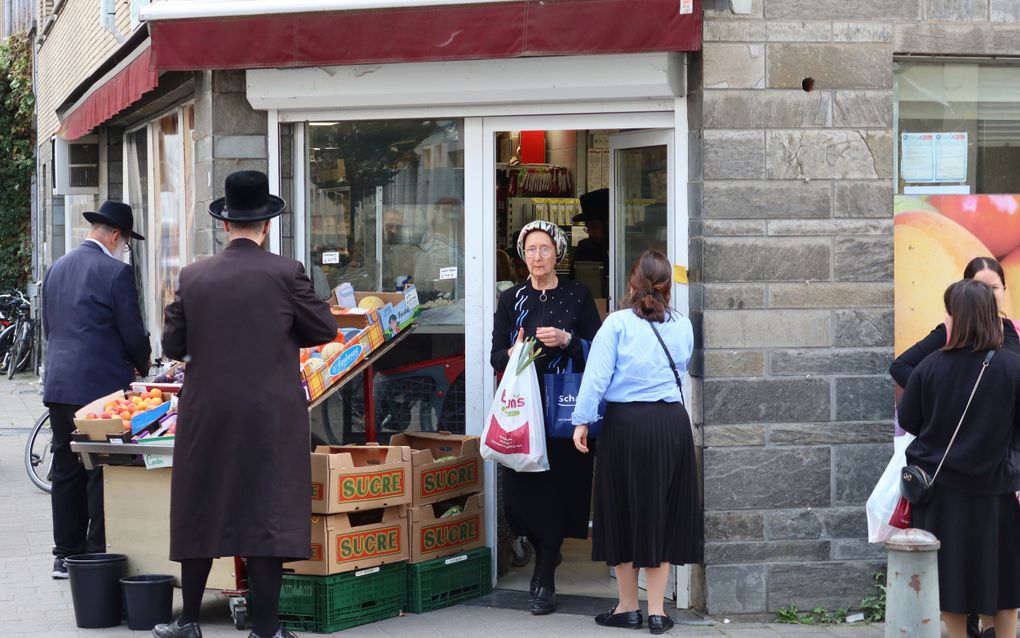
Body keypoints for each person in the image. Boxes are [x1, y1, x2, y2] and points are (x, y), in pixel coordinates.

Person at [154, 171, 337, 638]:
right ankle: (267, 628)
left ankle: (189, 620)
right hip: (269, 412)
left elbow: (174, 343)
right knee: (266, 507)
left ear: (224, 225)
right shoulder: (285, 271)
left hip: (206, 411)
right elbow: (323, 330)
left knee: (201, 504)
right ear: (267, 226)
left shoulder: (193, 276)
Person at [571, 250, 702, 635]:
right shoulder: (682, 325)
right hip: (670, 424)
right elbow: (685, 366)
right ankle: (659, 611)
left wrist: (581, 421)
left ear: (632, 283)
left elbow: (596, 377)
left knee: (622, 513)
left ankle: (628, 607)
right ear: (667, 286)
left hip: (625, 426)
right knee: (661, 513)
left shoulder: (616, 324)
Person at [490, 219, 602, 615]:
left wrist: (569, 341)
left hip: (564, 411)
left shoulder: (578, 295)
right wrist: (517, 350)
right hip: (522, 412)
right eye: (531, 249)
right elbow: (494, 356)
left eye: (545, 249)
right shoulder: (512, 300)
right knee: (521, 498)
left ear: (558, 253)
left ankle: (544, 578)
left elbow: (598, 350)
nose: (537, 256)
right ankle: (543, 553)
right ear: (523, 255)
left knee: (559, 491)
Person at [898, 279, 1020, 638]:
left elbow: (909, 421)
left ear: (954, 316)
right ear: (991, 315)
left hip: (940, 492)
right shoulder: (1013, 368)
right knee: (1003, 583)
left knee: (949, 582)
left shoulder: (930, 367)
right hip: (995, 492)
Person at [41, 201, 151, 579]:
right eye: (126, 241)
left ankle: (64, 555)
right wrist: (144, 364)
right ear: (117, 236)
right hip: (100, 387)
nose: (125, 249)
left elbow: (49, 327)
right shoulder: (116, 272)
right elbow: (132, 332)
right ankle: (94, 550)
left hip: (59, 382)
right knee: (100, 467)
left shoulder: (55, 268)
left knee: (65, 467)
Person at [890, 256, 1020, 388]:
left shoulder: (1017, 329)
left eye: (994, 288)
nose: (987, 295)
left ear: (1004, 289)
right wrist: (935, 395)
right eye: (979, 287)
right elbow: (900, 367)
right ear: (965, 291)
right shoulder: (950, 330)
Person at [570, 188, 609, 297]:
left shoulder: (625, 248)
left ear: (608, 224)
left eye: (595, 227)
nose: (591, 233)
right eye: (588, 228)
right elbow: (573, 283)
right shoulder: (584, 248)